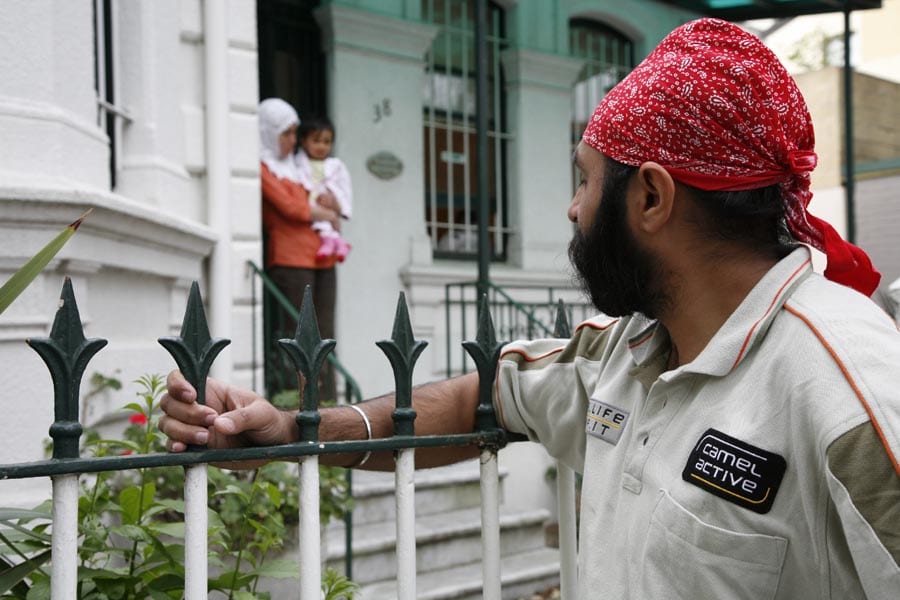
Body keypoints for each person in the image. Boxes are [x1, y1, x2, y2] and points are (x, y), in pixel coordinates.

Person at [162, 20, 900, 599]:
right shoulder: (626, 354)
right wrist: (293, 429)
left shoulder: (845, 384)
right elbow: (484, 395)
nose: (573, 209)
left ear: (650, 197)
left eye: (585, 181)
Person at [258, 98, 341, 395]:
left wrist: (333, 207)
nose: (294, 141)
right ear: (269, 132)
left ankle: (329, 400)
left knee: (326, 332)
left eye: (296, 133)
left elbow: (322, 199)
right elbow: (292, 208)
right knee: (300, 334)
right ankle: (301, 401)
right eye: (287, 134)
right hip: (291, 261)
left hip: (323, 257)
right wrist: (324, 212)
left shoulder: (299, 166)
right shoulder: (263, 168)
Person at [295, 115, 353, 262]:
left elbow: (345, 189)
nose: (321, 146)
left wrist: (336, 203)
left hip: (329, 203)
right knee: (321, 223)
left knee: (328, 223)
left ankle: (337, 243)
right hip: (312, 205)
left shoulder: (336, 166)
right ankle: (334, 243)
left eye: (327, 142)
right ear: (303, 141)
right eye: (316, 141)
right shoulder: (297, 164)